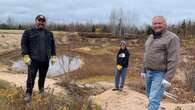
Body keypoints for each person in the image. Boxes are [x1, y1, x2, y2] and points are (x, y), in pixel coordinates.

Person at [141, 16, 180, 110]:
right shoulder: (150, 37)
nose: (157, 25)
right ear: (152, 25)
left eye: (160, 23)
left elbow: (173, 59)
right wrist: (143, 70)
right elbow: (146, 54)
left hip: (160, 74)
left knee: (154, 99)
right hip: (148, 72)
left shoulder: (172, 38)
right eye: (155, 23)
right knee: (150, 96)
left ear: (165, 24)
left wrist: (168, 78)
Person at [21, 15, 57, 102]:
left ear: (45, 22)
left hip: (45, 60)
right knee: (31, 77)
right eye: (39, 20)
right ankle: (28, 93)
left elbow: (52, 46)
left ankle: (41, 90)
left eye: (43, 21)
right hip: (33, 60)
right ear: (36, 21)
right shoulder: (28, 32)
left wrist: (53, 56)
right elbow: (24, 45)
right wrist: (25, 56)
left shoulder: (49, 33)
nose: (41, 22)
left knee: (42, 77)